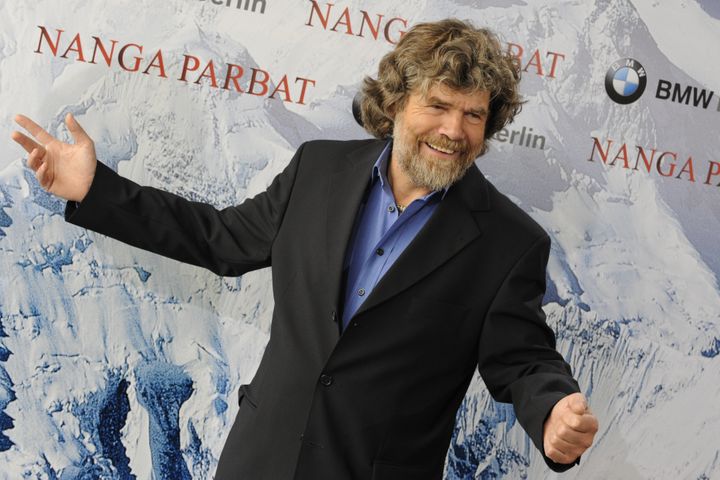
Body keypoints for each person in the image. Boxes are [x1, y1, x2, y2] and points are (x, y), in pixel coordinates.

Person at [12, 18, 598, 480]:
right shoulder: (317, 170)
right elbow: (218, 239)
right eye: (439, 106)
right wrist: (96, 189)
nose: (455, 130)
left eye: (474, 115)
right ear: (395, 103)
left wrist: (551, 410)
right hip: (256, 463)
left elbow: (522, 359)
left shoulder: (509, 241)